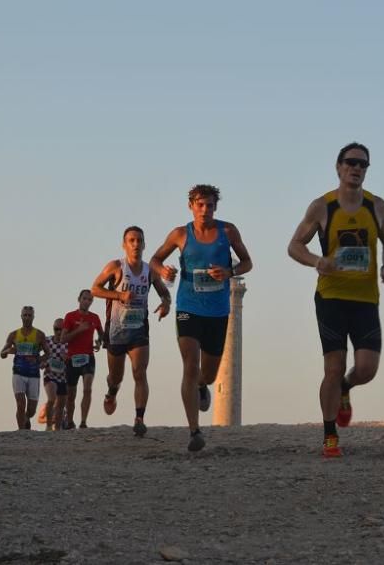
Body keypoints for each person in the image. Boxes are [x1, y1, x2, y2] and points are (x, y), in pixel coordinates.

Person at [288, 142, 384, 459]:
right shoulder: (322, 207)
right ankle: (329, 434)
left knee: (366, 369)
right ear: (338, 167)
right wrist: (316, 261)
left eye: (363, 164)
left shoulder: (377, 207)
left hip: (366, 299)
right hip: (331, 297)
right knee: (333, 367)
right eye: (350, 162)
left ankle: (347, 389)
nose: (356, 168)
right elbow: (294, 245)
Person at [150, 184, 253, 451]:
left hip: (218, 310)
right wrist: (164, 271)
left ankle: (202, 386)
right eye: (199, 204)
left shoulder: (227, 231)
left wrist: (229, 272)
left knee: (207, 373)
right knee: (190, 365)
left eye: (209, 205)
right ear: (191, 206)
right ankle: (194, 431)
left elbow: (247, 263)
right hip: (188, 307)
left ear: (215, 207)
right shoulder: (180, 234)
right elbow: (155, 260)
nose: (204, 210)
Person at [91, 226, 172, 437]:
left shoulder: (149, 272)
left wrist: (165, 304)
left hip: (139, 330)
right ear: (124, 245)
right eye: (131, 240)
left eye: (139, 241)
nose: (136, 244)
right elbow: (94, 289)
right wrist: (118, 296)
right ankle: (112, 392)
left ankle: (139, 418)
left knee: (140, 372)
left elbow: (165, 294)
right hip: (116, 331)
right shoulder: (116, 267)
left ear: (144, 245)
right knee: (116, 377)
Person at [0, 306, 50, 430]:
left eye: (29, 315)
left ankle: (27, 417)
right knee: (20, 403)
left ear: (33, 317)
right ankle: (21, 431)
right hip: (18, 373)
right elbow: (2, 353)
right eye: (25, 315)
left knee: (32, 409)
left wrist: (38, 360)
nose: (27, 318)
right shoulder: (13, 335)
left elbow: (48, 354)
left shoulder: (39, 334)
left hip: (33, 374)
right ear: (21, 316)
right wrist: (8, 351)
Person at [61, 290, 105, 429]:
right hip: (72, 358)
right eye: (84, 298)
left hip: (88, 357)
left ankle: (83, 422)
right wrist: (79, 330)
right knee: (71, 394)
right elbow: (63, 339)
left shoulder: (95, 318)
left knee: (87, 388)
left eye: (90, 300)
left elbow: (102, 335)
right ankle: (69, 421)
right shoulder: (70, 316)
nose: (87, 301)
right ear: (79, 299)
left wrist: (99, 342)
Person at [41, 318, 69, 431]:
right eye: (56, 329)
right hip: (50, 376)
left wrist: (66, 358)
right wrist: (41, 362)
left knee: (61, 406)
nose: (58, 332)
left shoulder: (68, 344)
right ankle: (48, 426)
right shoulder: (47, 341)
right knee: (51, 398)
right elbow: (36, 352)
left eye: (61, 329)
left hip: (63, 378)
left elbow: (73, 361)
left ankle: (57, 429)